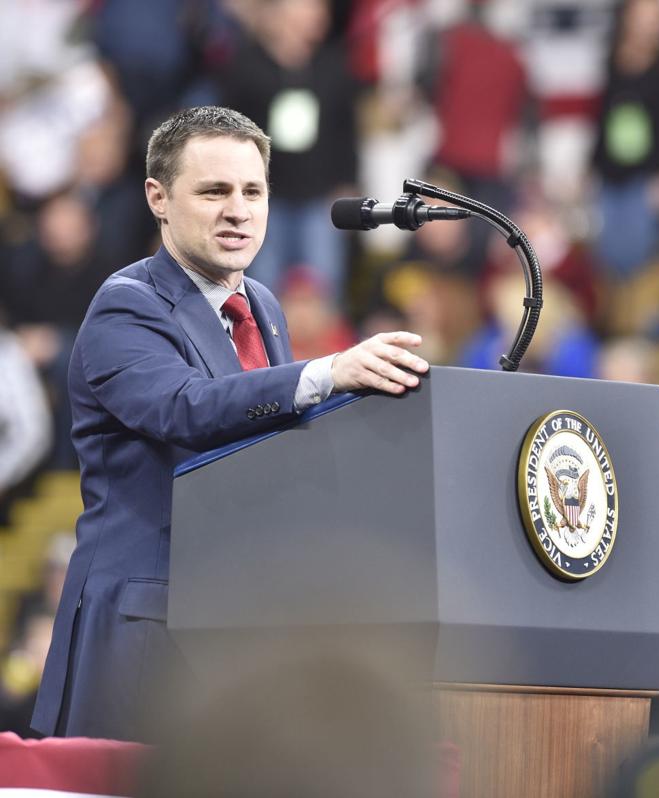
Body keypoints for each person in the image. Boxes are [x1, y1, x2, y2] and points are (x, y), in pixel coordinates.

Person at [31, 106, 429, 742]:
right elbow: (185, 409)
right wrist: (328, 373)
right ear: (158, 199)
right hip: (145, 622)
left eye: (253, 191)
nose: (238, 211)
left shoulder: (262, 306)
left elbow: (269, 433)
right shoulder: (125, 305)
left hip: (233, 619)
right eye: (214, 191)